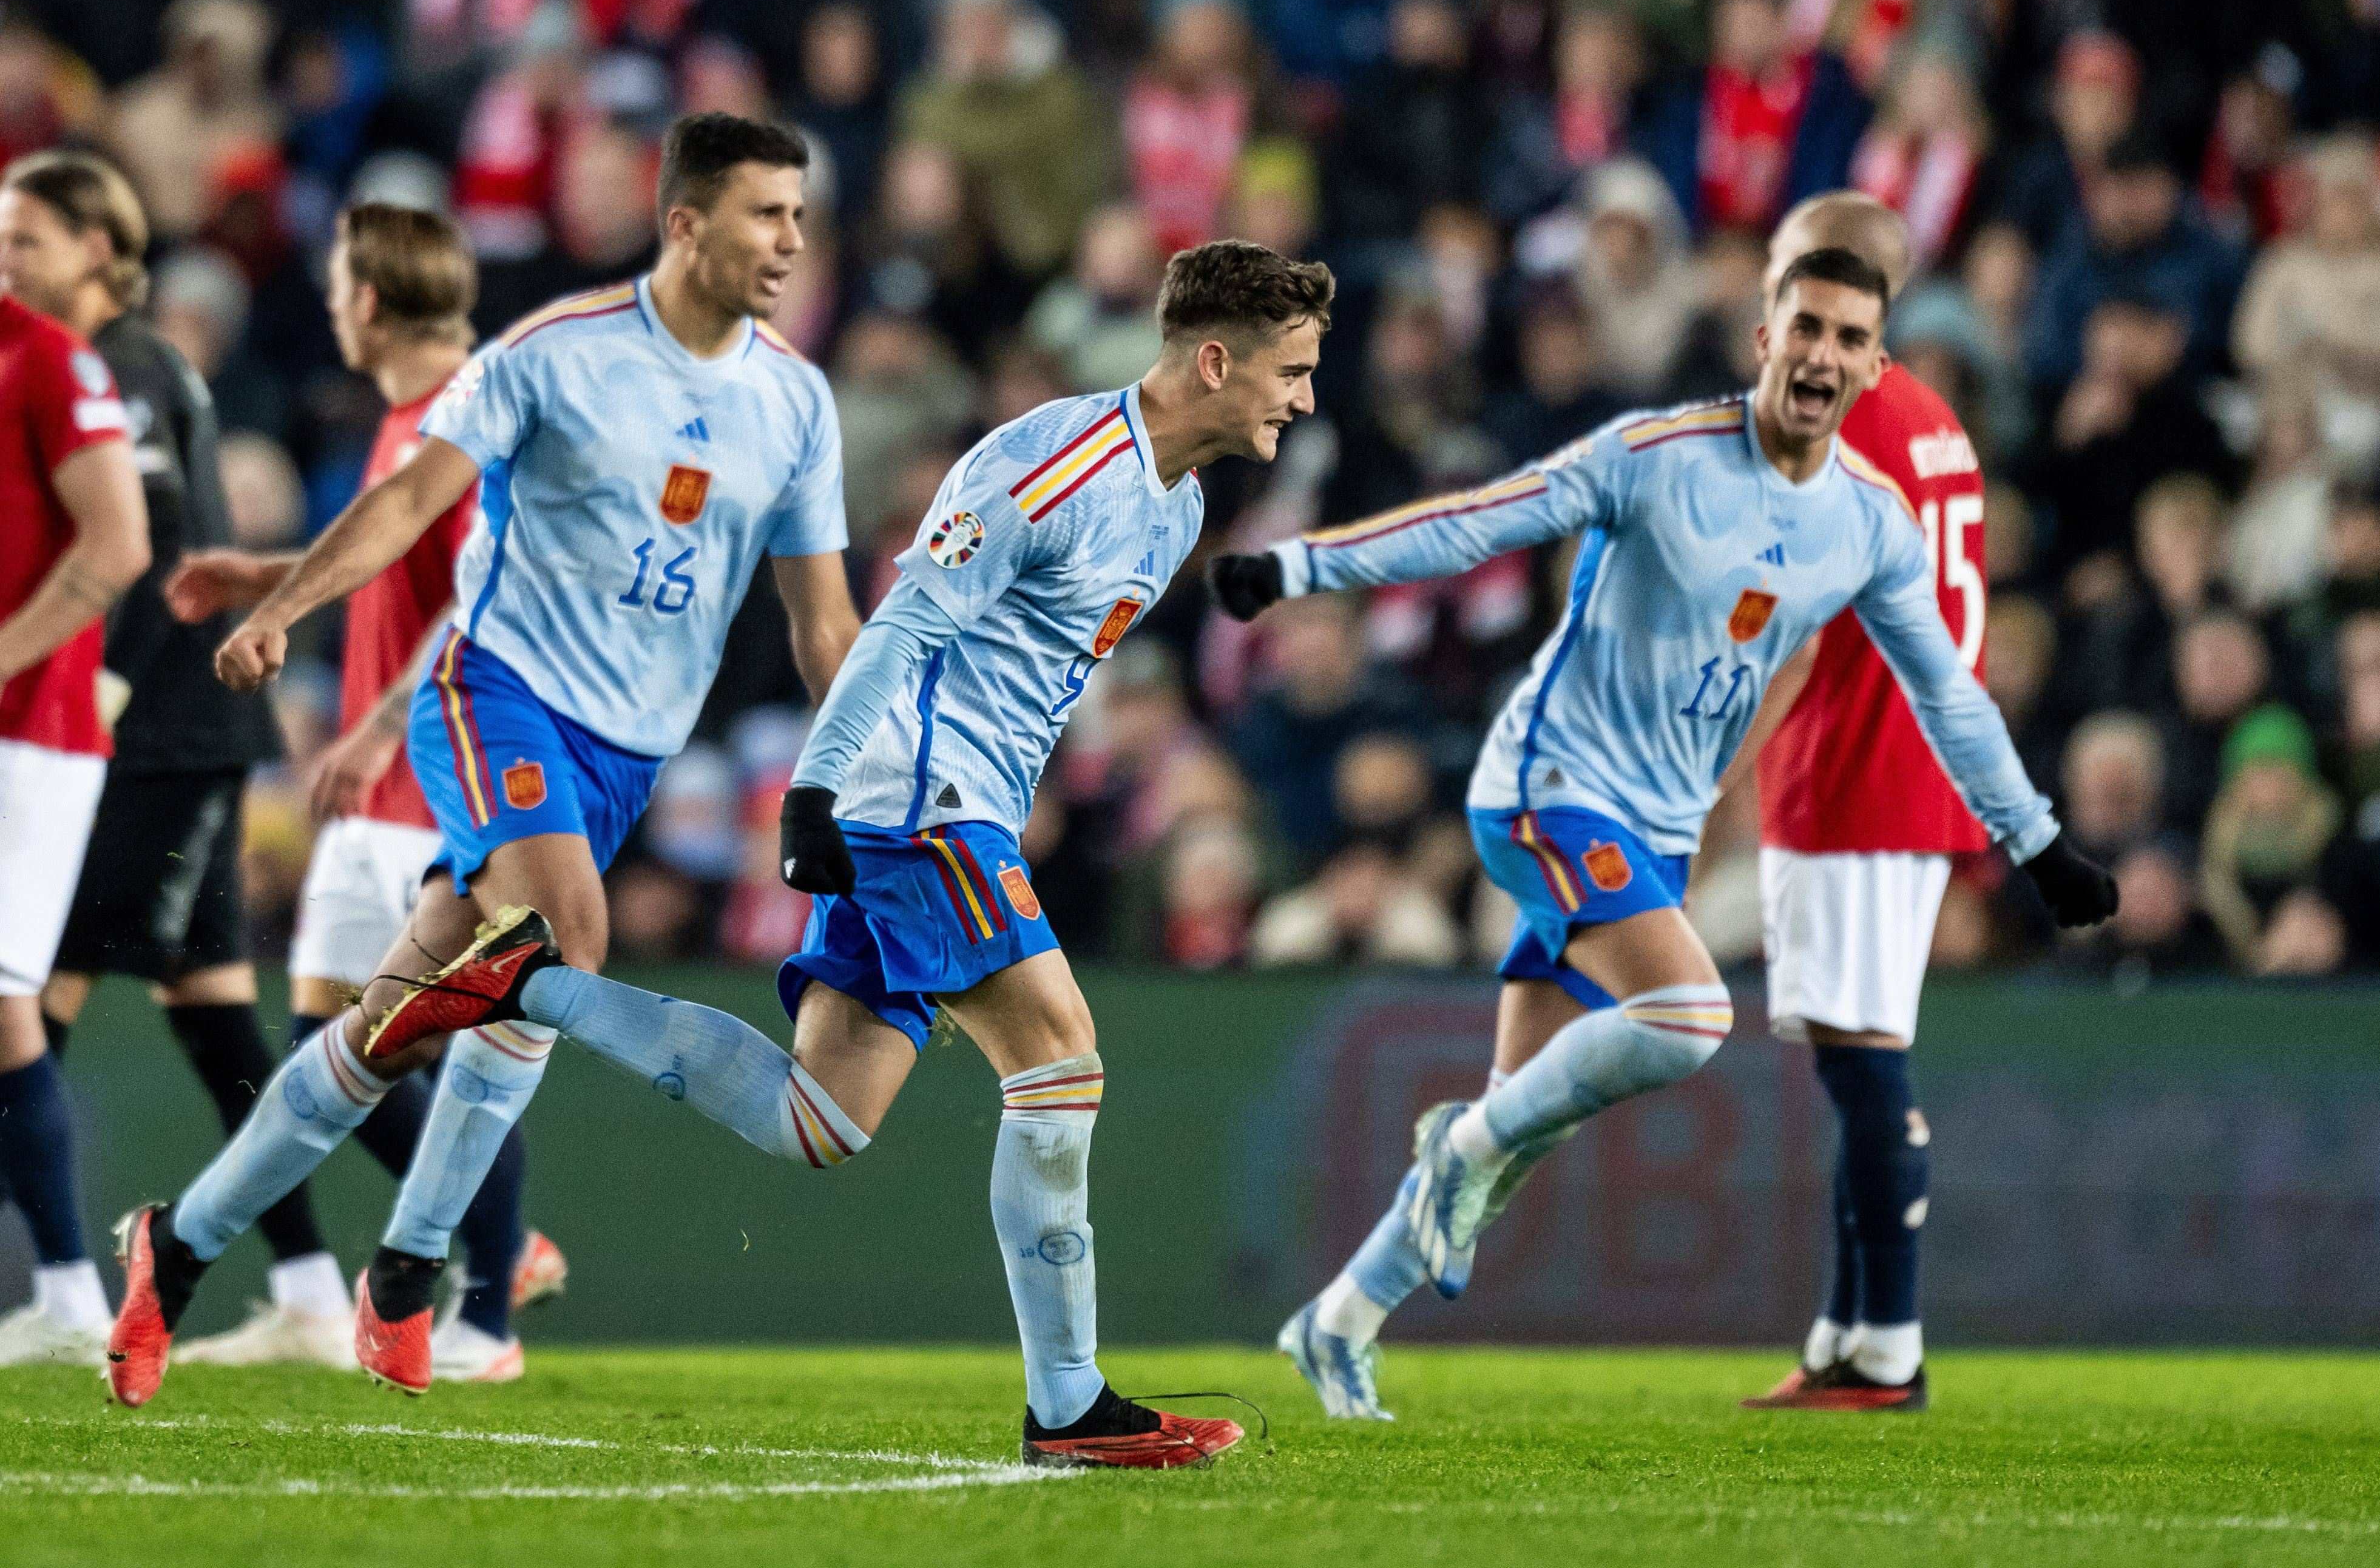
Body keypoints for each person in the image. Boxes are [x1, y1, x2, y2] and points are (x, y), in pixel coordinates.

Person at [354, 238, 1334, 1468]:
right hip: (916, 799)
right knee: (1059, 1063)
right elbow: (903, 627)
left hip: (954, 801)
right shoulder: (1050, 465)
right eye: (1288, 370)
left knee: (819, 1120)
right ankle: (1070, 1405)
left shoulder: (1176, 499)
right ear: (1211, 360)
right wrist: (815, 791)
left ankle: (526, 983)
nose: (1300, 397)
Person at [1220, 246, 2117, 1421]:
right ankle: (1456, 1148)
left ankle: (1336, 1321)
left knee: (1508, 1136)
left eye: (1850, 338)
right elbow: (1476, 525)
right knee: (1686, 1020)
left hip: (1655, 833)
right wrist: (1294, 568)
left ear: (1873, 367)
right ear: (1764, 337)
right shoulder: (1654, 457)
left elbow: (1945, 693)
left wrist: (2036, 842)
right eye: (1805, 327)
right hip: (1544, 790)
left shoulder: (1869, 525)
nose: (1821, 355)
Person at [103, 111, 860, 1407]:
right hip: (494, 692)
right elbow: (404, 500)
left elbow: (820, 619)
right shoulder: (549, 357)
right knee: (565, 933)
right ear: (683, 222)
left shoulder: (796, 401)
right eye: (766, 214)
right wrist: (284, 609)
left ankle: (172, 1253)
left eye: (797, 215)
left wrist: (862, 776)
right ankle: (409, 1273)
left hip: (622, 756)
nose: (792, 239)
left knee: (388, 1030)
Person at [161, 202, 566, 1381]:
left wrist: (379, 723)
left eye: (339, 283)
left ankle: (488, 1297)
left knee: (394, 1044)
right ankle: (502, 1252)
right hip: (394, 776)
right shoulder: (410, 421)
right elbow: (397, 560)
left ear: (370, 299)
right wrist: (267, 577)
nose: (329, 302)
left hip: (432, 771)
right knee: (341, 1041)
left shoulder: (469, 412)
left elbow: (480, 598)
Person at [0, 150, 345, 1364]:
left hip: (152, 729)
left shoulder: (120, 369)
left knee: (31, 996)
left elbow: (152, 553)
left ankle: (61, 1285)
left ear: (100, 248)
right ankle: (308, 1284)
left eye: (29, 241)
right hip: (152, 731)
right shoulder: (122, 365)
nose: (9, 261)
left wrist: (104, 674)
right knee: (209, 1019)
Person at [1742, 195, 1990, 1411]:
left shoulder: (1845, 429)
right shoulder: (1930, 420)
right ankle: (1846, 1327)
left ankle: (1886, 1340)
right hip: (1890, 765)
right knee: (1850, 1053)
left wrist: (1705, 765)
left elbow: (1790, 623)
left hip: (1859, 767)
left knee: (1861, 1062)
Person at [0, 277, 148, 1366]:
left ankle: (66, 1291)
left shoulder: (50, 357)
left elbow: (118, 544)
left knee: (4, 1006)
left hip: (29, 729)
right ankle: (63, 1294)